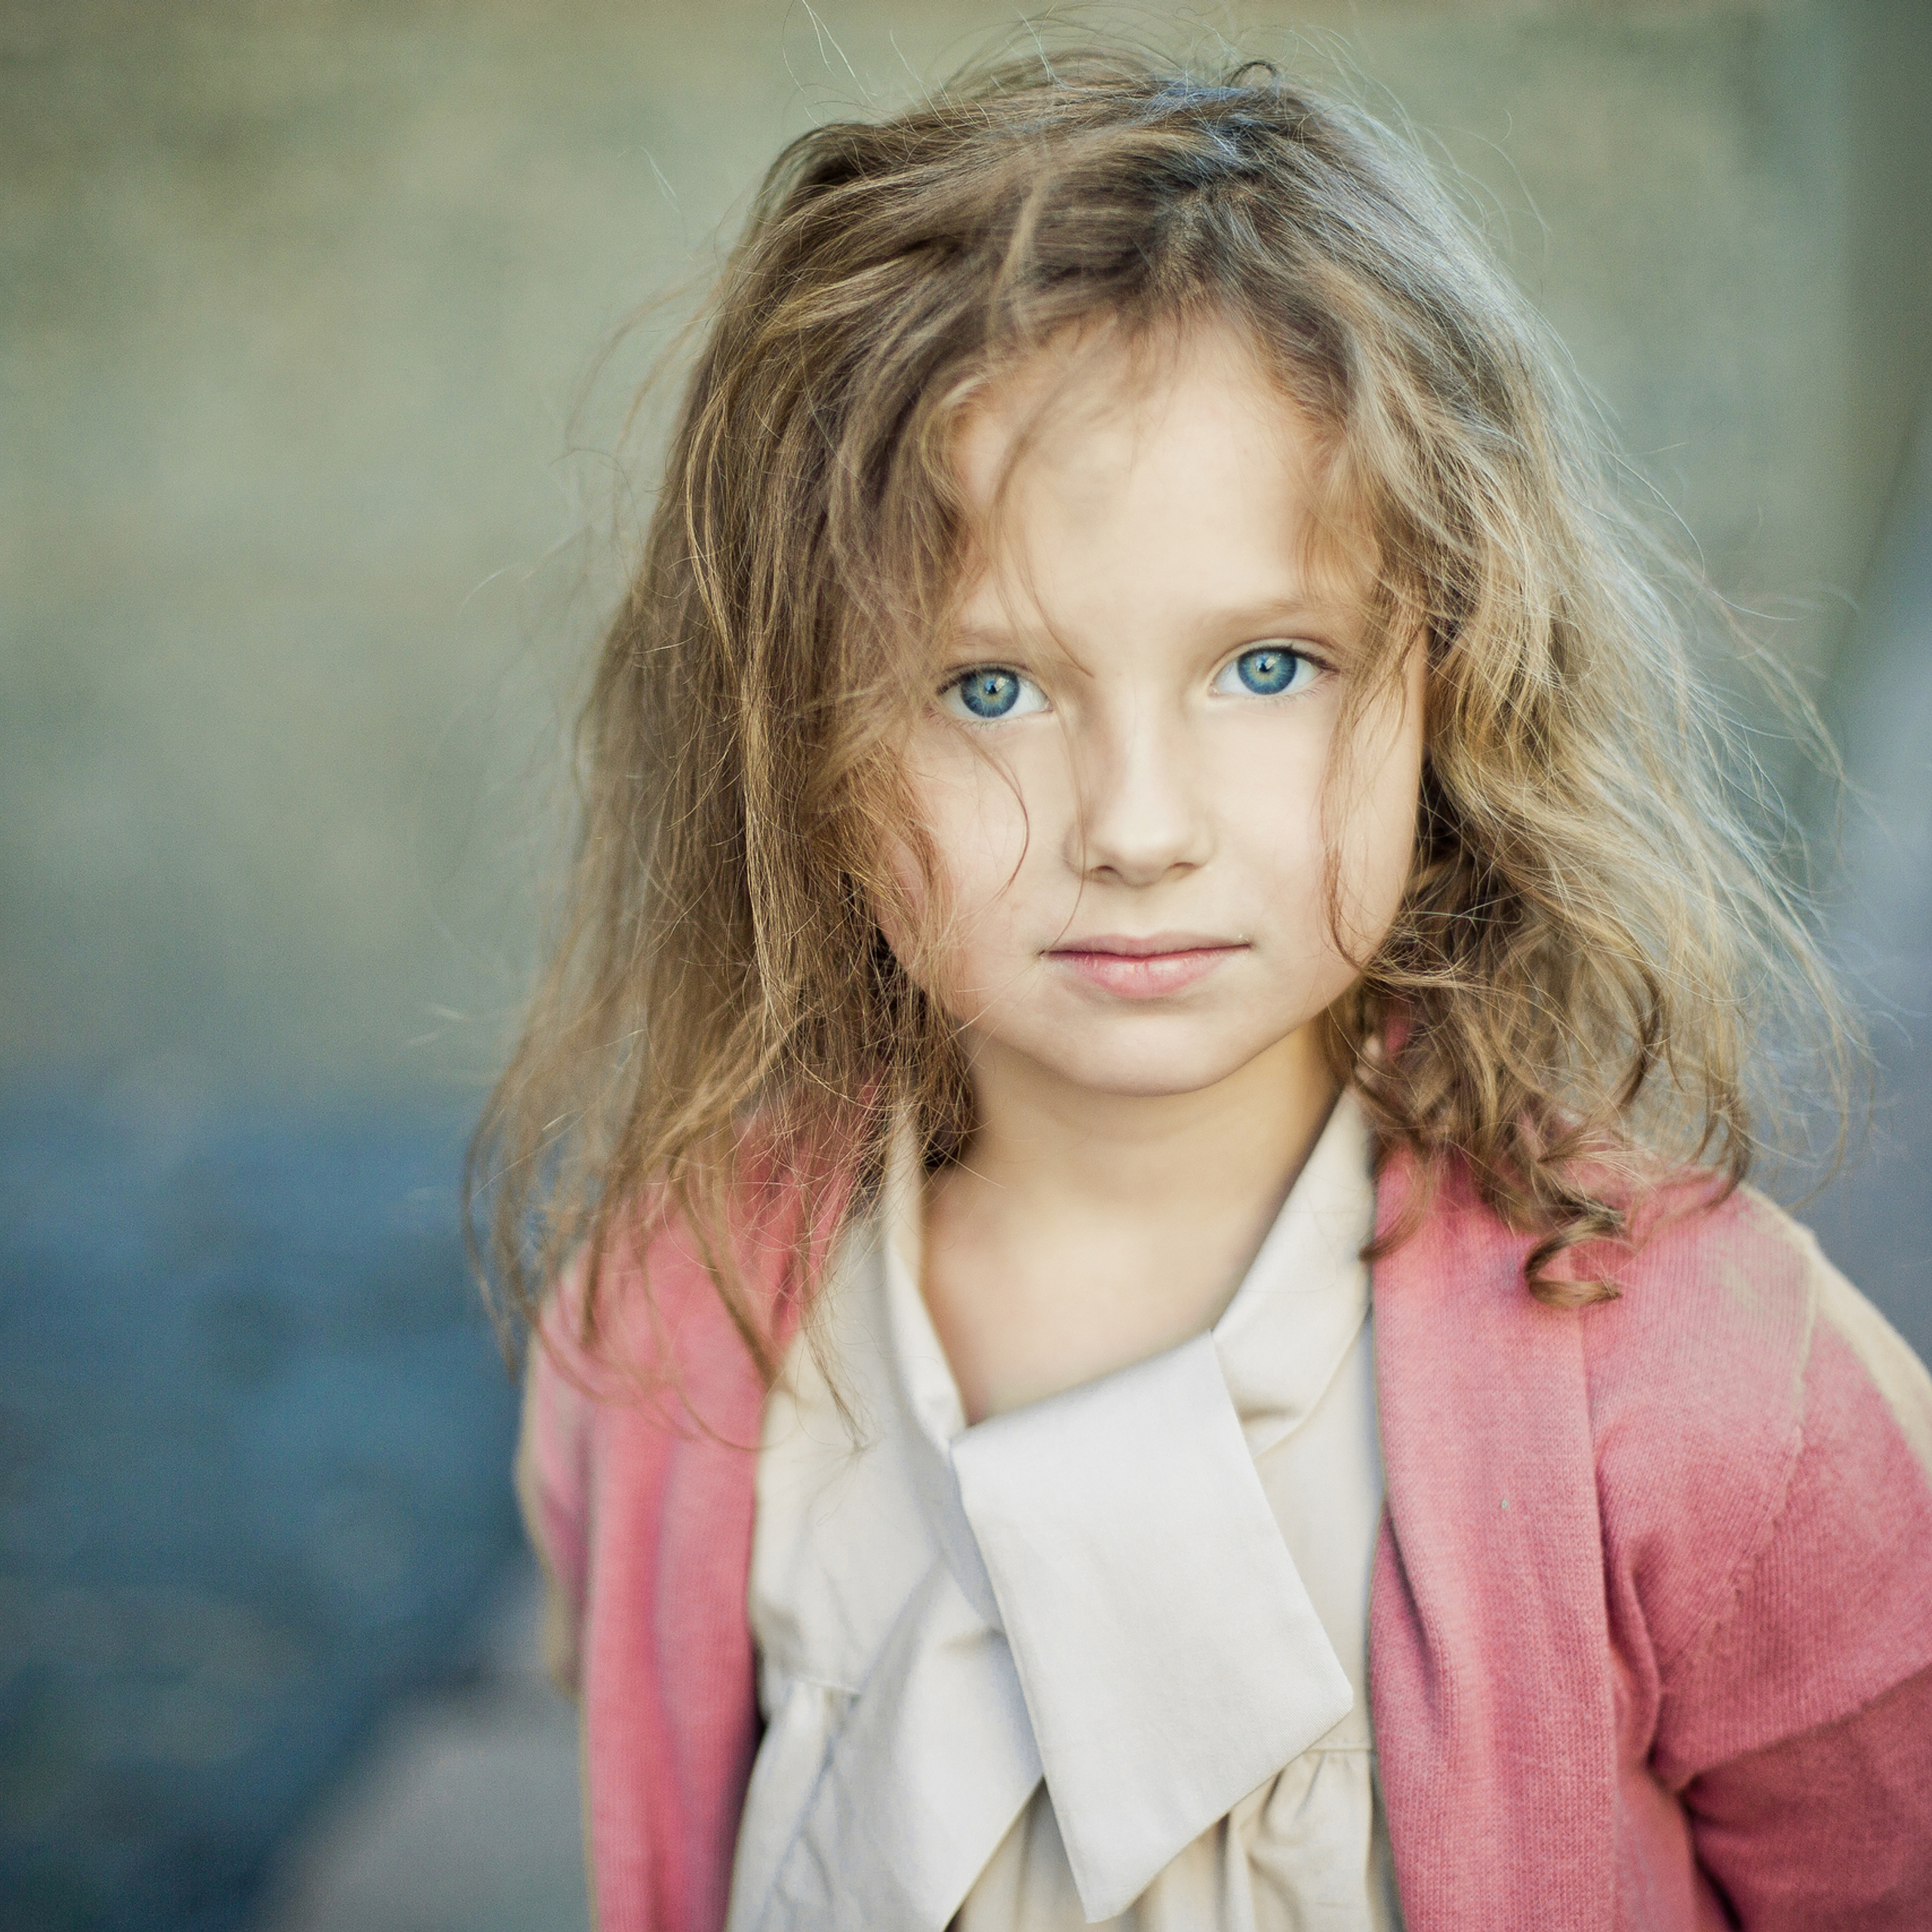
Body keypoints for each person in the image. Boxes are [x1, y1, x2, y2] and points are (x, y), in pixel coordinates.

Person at [472, 47, 1932, 1932]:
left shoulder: (1707, 1380)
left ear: (1450, 678)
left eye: (1267, 666)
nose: (1136, 826)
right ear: (802, 752)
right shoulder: (678, 1327)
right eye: (989, 686)